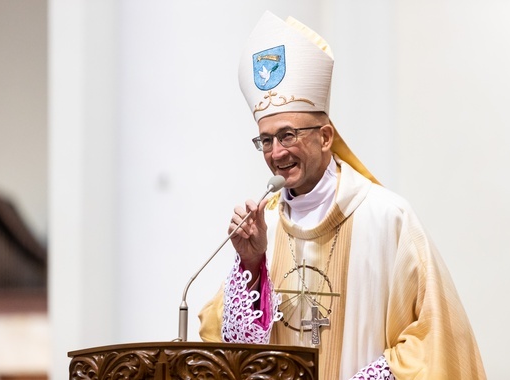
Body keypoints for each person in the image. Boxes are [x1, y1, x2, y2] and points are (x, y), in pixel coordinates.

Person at [198, 11, 486, 380]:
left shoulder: (387, 218)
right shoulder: (264, 224)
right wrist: (252, 265)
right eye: (266, 140)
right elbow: (229, 351)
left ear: (326, 136)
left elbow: (435, 339)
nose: (276, 153)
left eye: (288, 135)